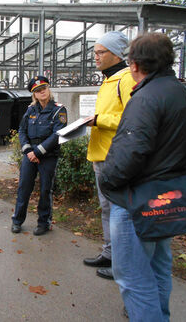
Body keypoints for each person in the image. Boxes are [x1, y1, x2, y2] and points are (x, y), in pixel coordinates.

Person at [99, 33, 186, 322]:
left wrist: (108, 181)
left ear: (134, 64)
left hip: (136, 202)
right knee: (159, 269)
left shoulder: (145, 97)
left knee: (134, 280)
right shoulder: (179, 91)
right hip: (166, 197)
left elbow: (131, 152)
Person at [82, 31, 136, 280]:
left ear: (116, 54)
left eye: (100, 52)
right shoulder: (108, 80)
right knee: (107, 209)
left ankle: (121, 263)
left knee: (119, 213)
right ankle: (110, 253)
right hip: (101, 155)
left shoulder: (126, 80)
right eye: (94, 52)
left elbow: (132, 118)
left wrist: (99, 120)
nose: (95, 57)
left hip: (115, 158)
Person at [11, 76, 67, 236]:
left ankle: (44, 223)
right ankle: (17, 220)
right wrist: (28, 151)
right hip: (30, 154)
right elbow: (22, 130)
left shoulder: (58, 109)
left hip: (48, 155)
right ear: (34, 94)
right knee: (24, 187)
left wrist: (37, 152)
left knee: (45, 189)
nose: (41, 92)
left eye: (43, 88)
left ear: (48, 89)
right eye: (37, 91)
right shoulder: (31, 110)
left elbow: (57, 134)